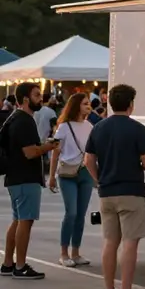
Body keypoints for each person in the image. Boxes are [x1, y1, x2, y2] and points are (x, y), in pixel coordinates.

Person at [84, 84, 145, 289]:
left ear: (110, 103)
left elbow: (88, 161)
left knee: (110, 242)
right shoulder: (138, 129)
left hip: (107, 192)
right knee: (130, 244)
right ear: (131, 104)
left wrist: (98, 179)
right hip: (132, 192)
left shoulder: (98, 128)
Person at [1, 82, 59, 279]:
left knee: (18, 220)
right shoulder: (24, 121)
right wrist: (49, 146)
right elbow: (30, 152)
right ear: (26, 99)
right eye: (36, 95)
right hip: (25, 178)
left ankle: (8, 264)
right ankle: (20, 266)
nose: (40, 98)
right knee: (25, 221)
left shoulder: (14, 118)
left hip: (15, 177)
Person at [48, 92, 95, 268]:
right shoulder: (64, 127)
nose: (88, 106)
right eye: (85, 103)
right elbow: (55, 152)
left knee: (81, 215)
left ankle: (75, 252)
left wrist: (96, 175)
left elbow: (92, 153)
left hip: (85, 174)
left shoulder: (90, 126)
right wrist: (51, 176)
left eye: (89, 103)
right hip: (67, 174)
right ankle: (63, 253)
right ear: (76, 106)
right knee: (72, 213)